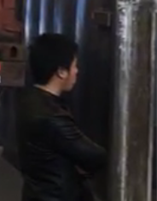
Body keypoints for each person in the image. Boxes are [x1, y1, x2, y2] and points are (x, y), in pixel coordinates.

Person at [17, 33, 107, 201]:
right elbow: (94, 156)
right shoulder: (51, 117)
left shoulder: (30, 101)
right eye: (74, 66)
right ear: (61, 72)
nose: (77, 71)